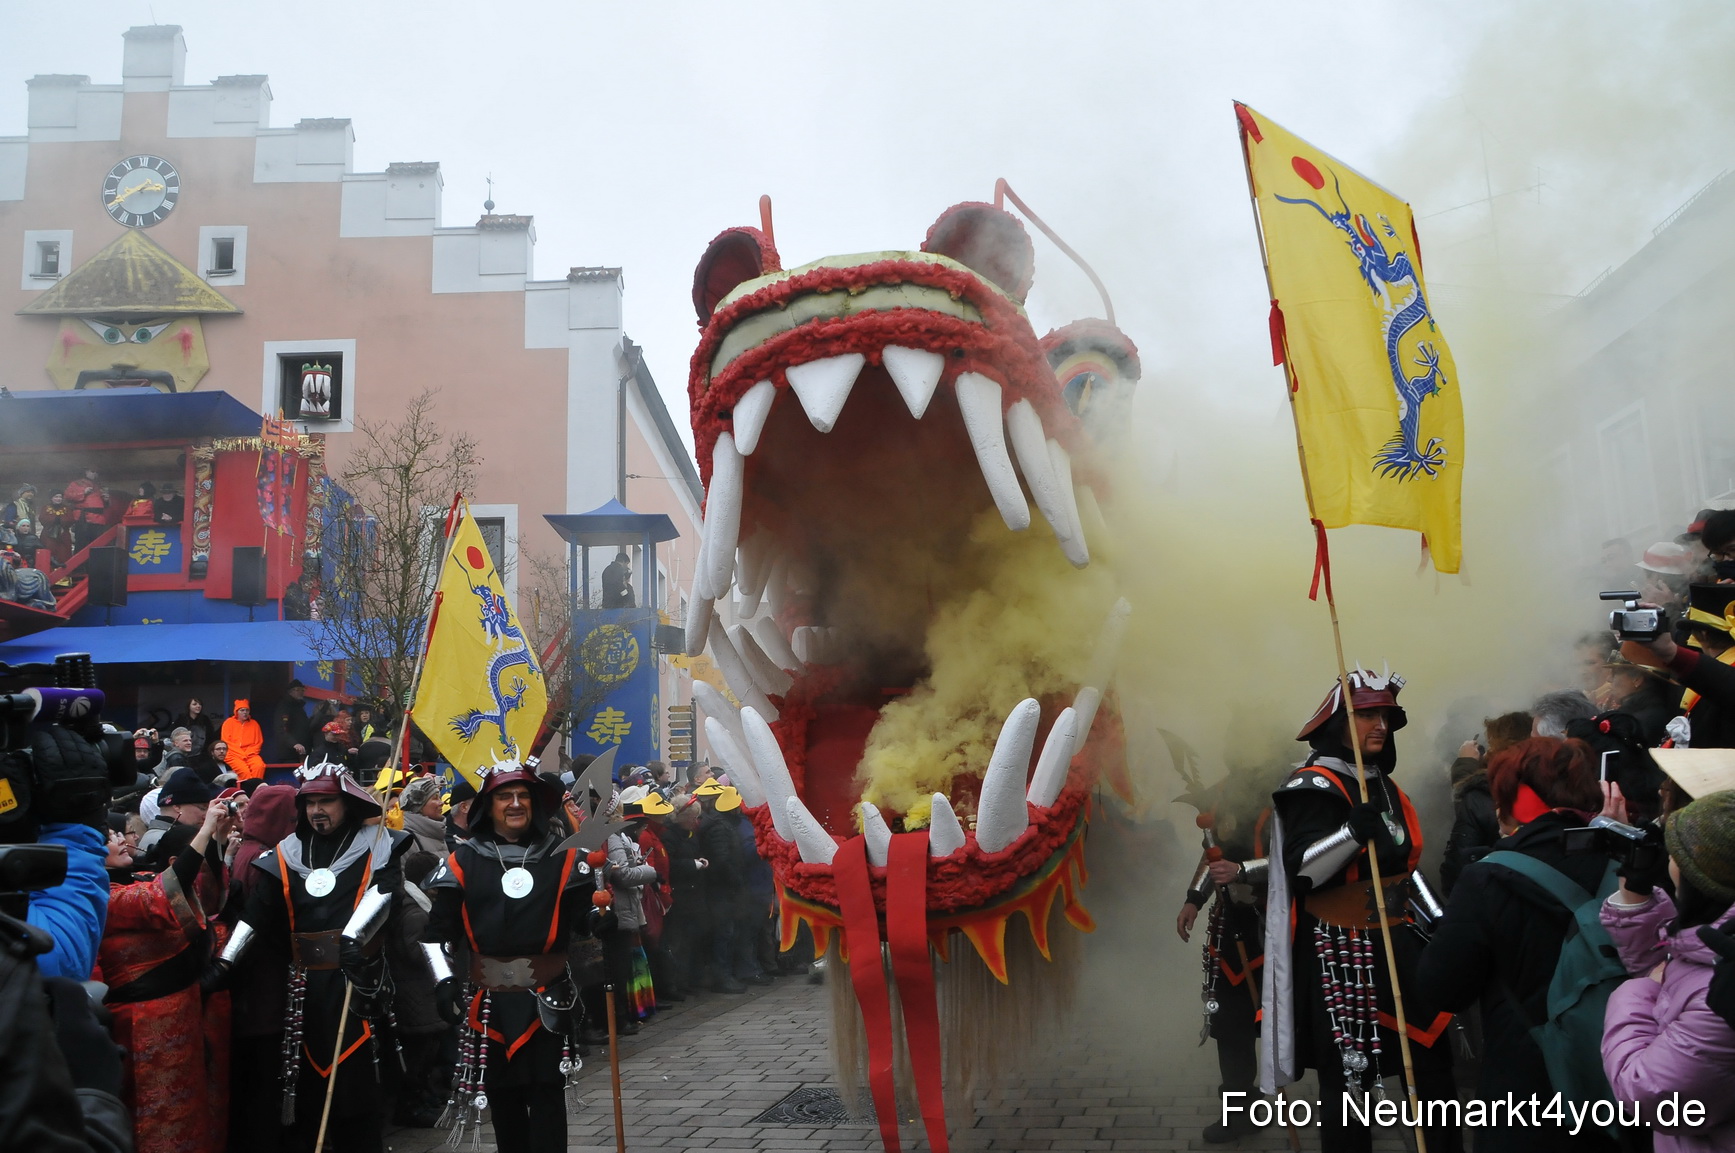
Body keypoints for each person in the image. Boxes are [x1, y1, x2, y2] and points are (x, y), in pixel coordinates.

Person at [1259, 667, 1459, 1153]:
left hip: (1402, 944)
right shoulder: (1312, 785)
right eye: (1367, 715)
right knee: (1350, 1080)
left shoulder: (1385, 784)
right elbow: (1301, 871)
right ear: (1337, 724)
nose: (1381, 726)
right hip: (1340, 953)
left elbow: (1404, 869)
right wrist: (1350, 834)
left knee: (1432, 1066)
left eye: (1386, 717)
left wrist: (1444, 924)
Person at [1416, 738, 1615, 1152]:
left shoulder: (1488, 878)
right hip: (1617, 1079)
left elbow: (1442, 989)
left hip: (1524, 1090)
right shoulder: (1627, 859)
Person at [216, 760, 412, 1153]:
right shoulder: (285, 852)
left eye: (326, 801)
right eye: (309, 803)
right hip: (305, 990)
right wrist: (225, 963)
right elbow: (257, 914)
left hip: (358, 985)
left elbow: (387, 891)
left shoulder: (378, 844)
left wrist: (354, 938)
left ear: (347, 803)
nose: (317, 810)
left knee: (358, 1095)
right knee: (307, 1096)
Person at [424, 760, 602, 1152]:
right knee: (503, 1098)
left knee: (547, 1093)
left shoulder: (565, 857)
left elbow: (582, 918)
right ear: (488, 806)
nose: (516, 803)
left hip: (547, 998)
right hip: (489, 1004)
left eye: (523, 795)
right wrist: (444, 980)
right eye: (505, 796)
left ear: (535, 804)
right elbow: (435, 933)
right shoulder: (462, 861)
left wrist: (597, 918)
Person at [1601, 790, 1735, 1150]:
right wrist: (1635, 893)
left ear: (1698, 876)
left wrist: (1637, 991)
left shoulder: (1719, 993)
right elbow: (1679, 979)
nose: (1667, 857)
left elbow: (1648, 1094)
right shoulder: (1719, 945)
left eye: (1676, 851)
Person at [98, 802, 233, 1153]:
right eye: (110, 837)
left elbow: (204, 897)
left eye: (119, 833)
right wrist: (205, 831)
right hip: (142, 1024)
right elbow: (162, 895)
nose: (121, 839)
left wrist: (216, 840)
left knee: (193, 1113)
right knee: (156, 1120)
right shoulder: (103, 899)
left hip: (182, 1013)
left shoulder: (139, 878)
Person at [1175, 767, 1273, 1144]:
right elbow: (1212, 855)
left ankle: (1350, 1114)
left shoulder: (1291, 791)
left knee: (1302, 1025)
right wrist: (1193, 899)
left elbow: (1296, 860)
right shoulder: (1221, 793)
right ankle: (1239, 1113)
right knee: (1231, 1026)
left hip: (1281, 927)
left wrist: (1243, 870)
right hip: (1231, 927)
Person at [224, 784, 298, 1153]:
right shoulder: (265, 859)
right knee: (265, 1081)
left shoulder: (246, 851)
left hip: (248, 988)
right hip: (265, 985)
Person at [1442, 711, 1534, 895]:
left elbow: (1457, 870)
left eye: (1491, 744)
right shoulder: (1549, 786)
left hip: (1491, 897)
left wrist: (1465, 762)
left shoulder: (1481, 796)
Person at [398, 776, 447, 857]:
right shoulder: (406, 841)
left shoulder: (438, 833)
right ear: (419, 807)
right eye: (435, 798)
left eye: (440, 798)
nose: (441, 803)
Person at [219, 700, 265, 783]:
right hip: (232, 754)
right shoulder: (228, 723)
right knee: (244, 771)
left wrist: (248, 753)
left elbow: (258, 742)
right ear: (236, 712)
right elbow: (226, 742)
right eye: (242, 710)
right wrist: (241, 754)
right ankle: (247, 789)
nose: (245, 712)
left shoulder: (254, 724)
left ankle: (256, 787)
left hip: (251, 754)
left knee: (259, 766)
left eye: (247, 710)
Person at [62, 468, 106, 552]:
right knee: (82, 545)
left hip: (98, 520)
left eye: (96, 472)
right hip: (84, 519)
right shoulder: (76, 484)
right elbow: (67, 496)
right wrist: (83, 492)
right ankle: (81, 561)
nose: (95, 474)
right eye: (92, 471)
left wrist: (106, 499)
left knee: (98, 545)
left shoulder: (99, 486)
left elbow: (103, 504)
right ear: (86, 472)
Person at [273, 681, 313, 764]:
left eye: (302, 690)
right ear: (290, 692)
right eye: (297, 690)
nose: (301, 692)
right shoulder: (285, 706)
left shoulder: (300, 707)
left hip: (302, 753)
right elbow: (281, 729)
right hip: (289, 754)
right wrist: (294, 744)